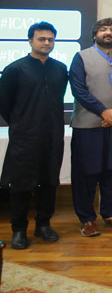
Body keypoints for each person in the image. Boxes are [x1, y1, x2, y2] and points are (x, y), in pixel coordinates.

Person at [0, 22, 68, 249]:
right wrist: (21, 124)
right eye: (42, 39)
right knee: (20, 184)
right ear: (30, 40)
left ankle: (43, 224)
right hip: (25, 137)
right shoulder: (15, 69)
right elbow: (5, 104)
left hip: (53, 135)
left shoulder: (60, 69)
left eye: (50, 39)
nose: (46, 43)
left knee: (49, 181)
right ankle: (19, 230)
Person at [69, 18, 112, 237]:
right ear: (94, 34)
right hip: (88, 127)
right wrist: (104, 112)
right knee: (86, 173)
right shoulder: (81, 57)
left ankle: (109, 214)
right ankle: (87, 219)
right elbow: (79, 90)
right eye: (103, 29)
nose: (108, 33)